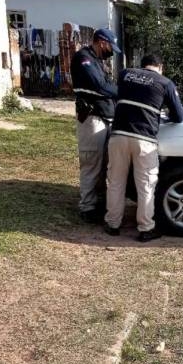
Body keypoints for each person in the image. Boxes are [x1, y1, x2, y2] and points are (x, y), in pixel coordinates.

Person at [104, 54, 183, 242]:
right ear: (160, 67)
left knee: (115, 181)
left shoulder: (125, 74)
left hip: (118, 135)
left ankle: (112, 224)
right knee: (146, 185)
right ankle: (146, 228)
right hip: (144, 139)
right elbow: (179, 116)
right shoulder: (165, 83)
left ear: (142, 65)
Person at [70, 28, 120, 223]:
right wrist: (123, 91)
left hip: (105, 118)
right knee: (91, 163)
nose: (112, 52)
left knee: (104, 164)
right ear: (101, 42)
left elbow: (107, 86)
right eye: (110, 47)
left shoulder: (98, 60)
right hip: (92, 118)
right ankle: (88, 207)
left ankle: (99, 202)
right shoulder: (84, 59)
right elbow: (100, 86)